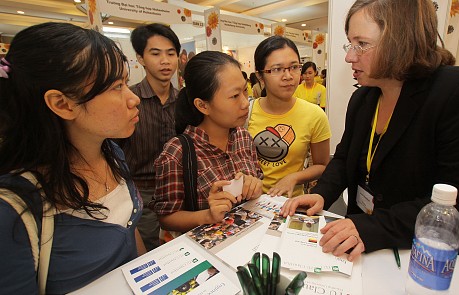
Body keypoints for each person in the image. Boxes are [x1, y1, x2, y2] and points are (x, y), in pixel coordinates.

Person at [281, 0, 459, 276]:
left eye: (361, 44)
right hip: (367, 253)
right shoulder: (363, 98)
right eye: (350, 44)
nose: (350, 57)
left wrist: (372, 228)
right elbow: (345, 157)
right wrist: (321, 195)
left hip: (432, 261)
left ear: (400, 39)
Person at [0, 22, 144, 294]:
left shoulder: (112, 153)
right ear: (62, 104)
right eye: (116, 86)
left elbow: (129, 233)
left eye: (126, 82)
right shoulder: (14, 210)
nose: (133, 98)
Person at [151, 51, 263, 233]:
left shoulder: (243, 137)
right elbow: (166, 217)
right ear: (203, 105)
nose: (245, 103)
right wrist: (207, 216)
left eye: (245, 90)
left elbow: (257, 179)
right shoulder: (177, 153)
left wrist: (254, 187)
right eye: (234, 96)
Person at [118, 23, 181, 251]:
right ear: (141, 58)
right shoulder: (129, 99)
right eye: (155, 54)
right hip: (142, 195)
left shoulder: (184, 101)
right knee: (149, 253)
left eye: (171, 53)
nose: (165, 61)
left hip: (179, 193)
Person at [248, 36, 331, 198]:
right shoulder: (246, 112)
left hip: (292, 204)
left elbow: (322, 165)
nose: (288, 76)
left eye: (294, 67)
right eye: (277, 69)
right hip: (250, 204)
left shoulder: (314, 114)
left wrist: (294, 177)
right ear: (260, 76)